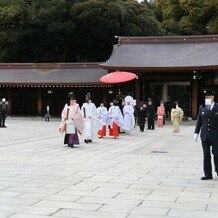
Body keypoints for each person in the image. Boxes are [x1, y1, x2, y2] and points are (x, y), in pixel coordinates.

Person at [194, 90, 218, 180]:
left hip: (215, 136)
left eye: (208, 97)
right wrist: (196, 132)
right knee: (206, 155)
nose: (207, 99)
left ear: (212, 97)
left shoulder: (217, 107)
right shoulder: (202, 107)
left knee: (217, 154)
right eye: (206, 97)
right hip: (205, 135)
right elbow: (199, 121)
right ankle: (208, 174)